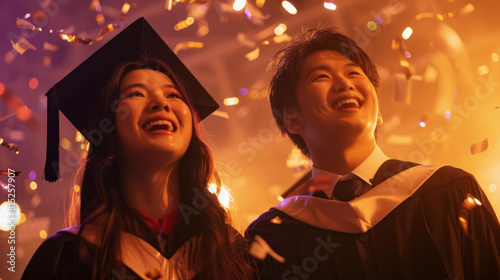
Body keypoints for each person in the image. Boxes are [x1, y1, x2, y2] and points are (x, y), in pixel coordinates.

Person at [246, 28, 500, 279]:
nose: (345, 83)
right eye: (321, 77)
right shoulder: (271, 236)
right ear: (291, 119)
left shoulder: (450, 190)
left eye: (354, 73)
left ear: (378, 111)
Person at [22, 17, 254, 280]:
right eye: (135, 94)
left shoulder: (232, 250)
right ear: (106, 128)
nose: (160, 103)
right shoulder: (66, 258)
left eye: (173, 95)